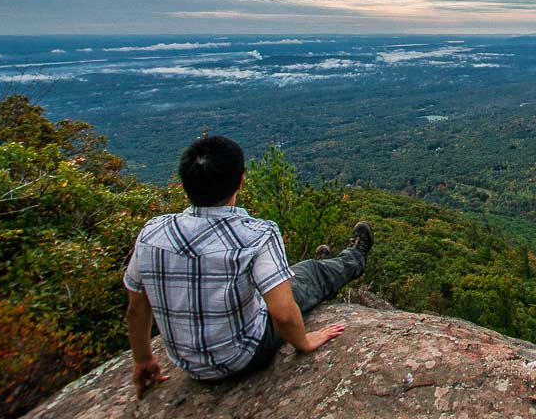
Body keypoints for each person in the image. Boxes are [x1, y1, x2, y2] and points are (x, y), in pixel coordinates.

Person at [123, 135, 373, 398]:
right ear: (241, 181)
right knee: (306, 274)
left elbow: (136, 309)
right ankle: (354, 258)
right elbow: (284, 315)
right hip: (243, 356)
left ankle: (324, 267)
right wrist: (305, 342)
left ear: (185, 185)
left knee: (298, 275)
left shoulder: (152, 233)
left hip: (188, 365)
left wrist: (143, 360)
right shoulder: (257, 234)